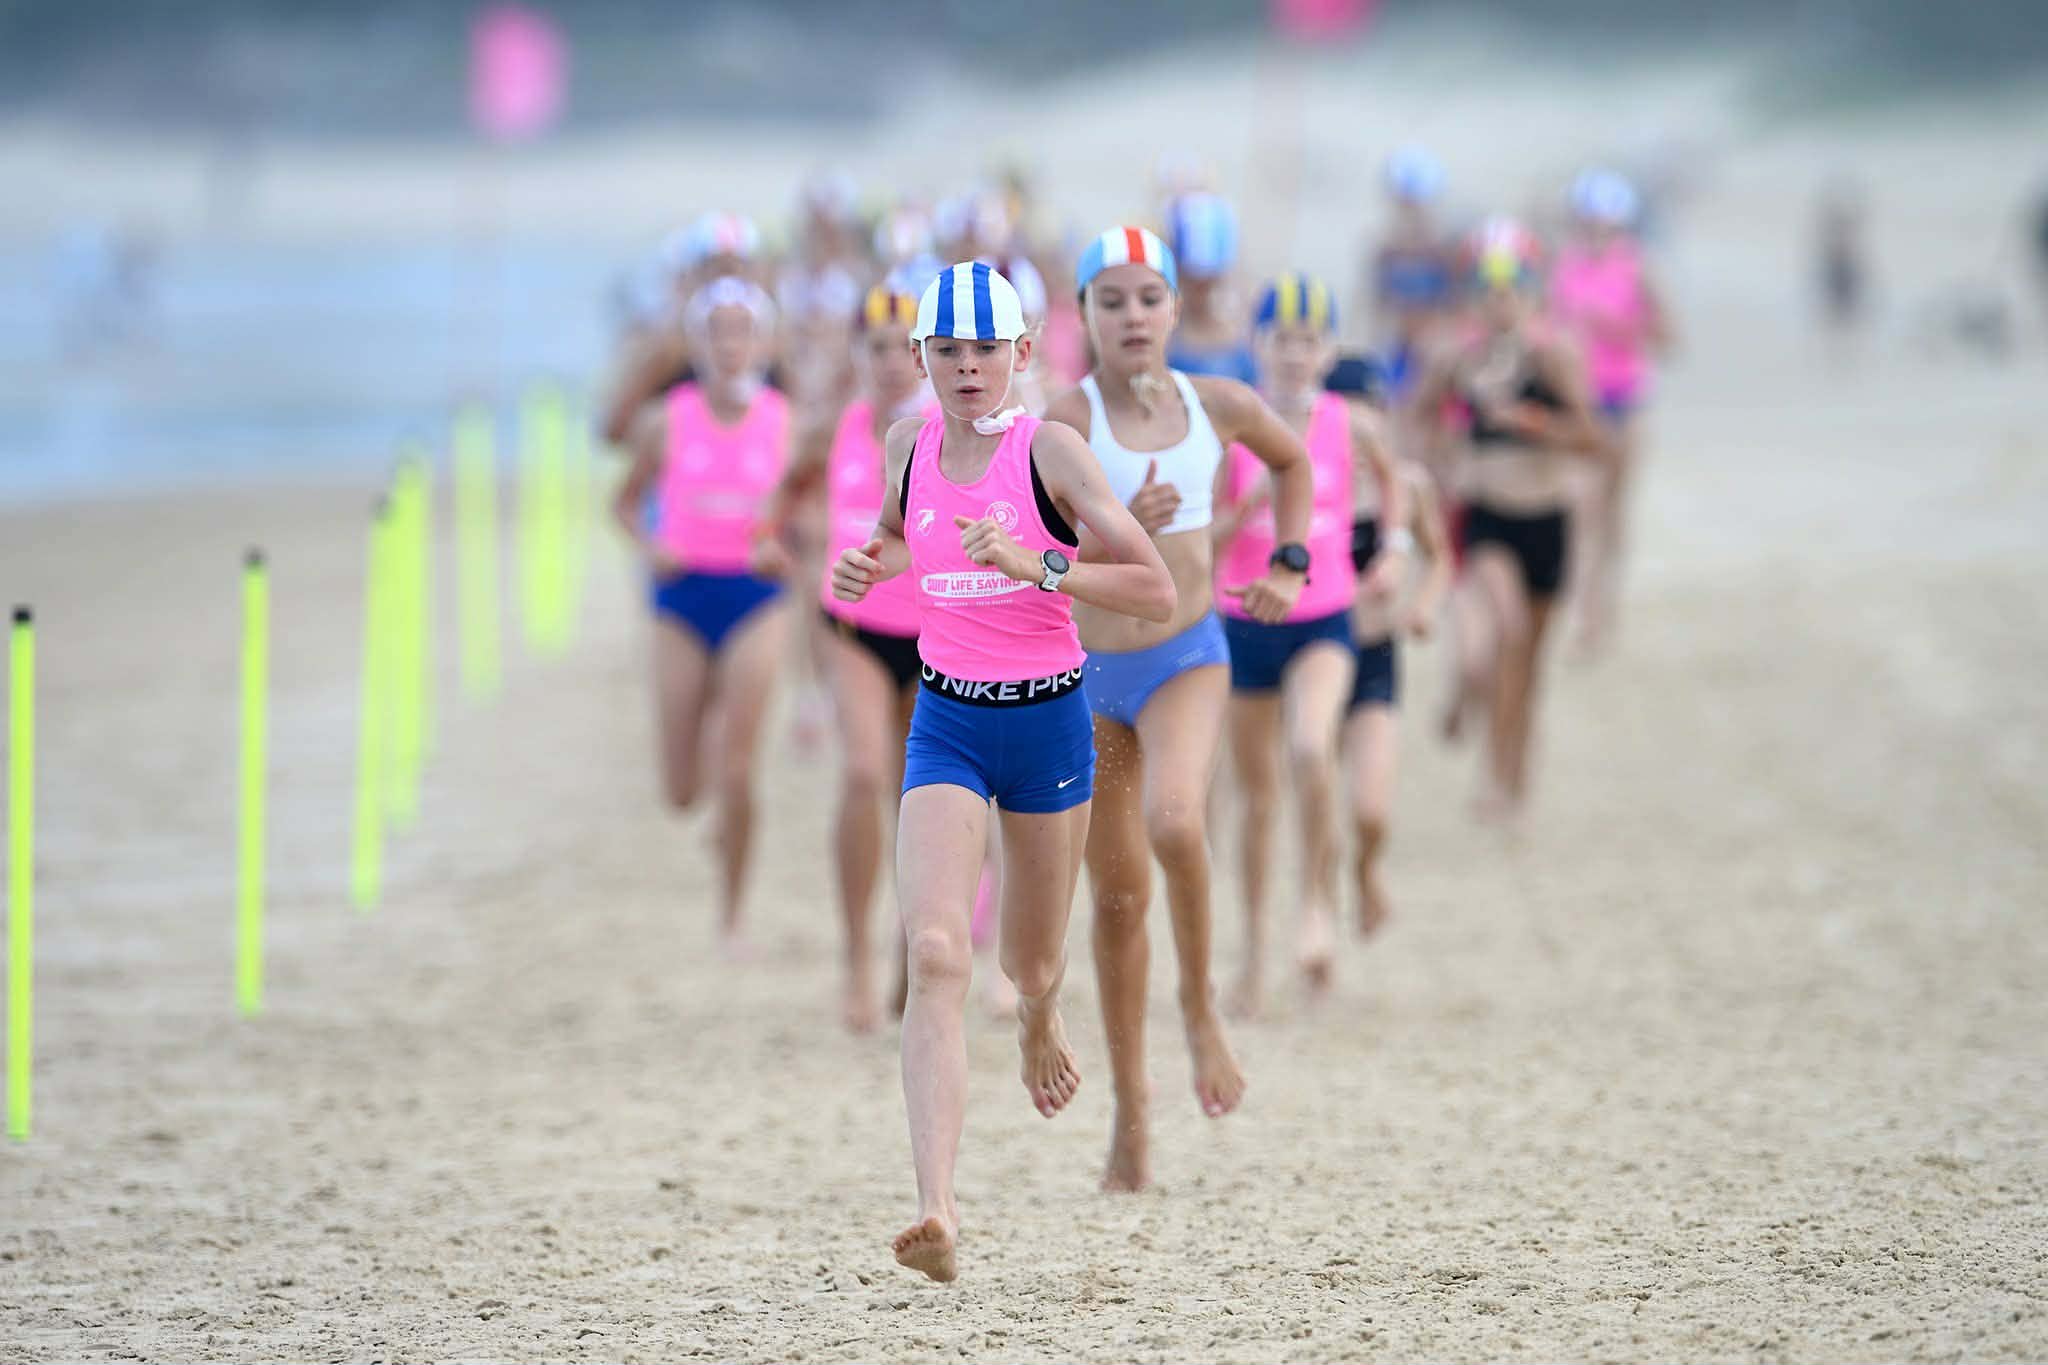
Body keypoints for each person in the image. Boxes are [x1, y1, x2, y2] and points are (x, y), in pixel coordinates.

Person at [830, 262, 1174, 1281]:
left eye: (986, 350)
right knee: (934, 951)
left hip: (1046, 727)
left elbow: (1149, 590)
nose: (967, 368)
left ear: (1022, 353)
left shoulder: (1051, 454)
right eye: (948, 351)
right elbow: (901, 536)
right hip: (945, 724)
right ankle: (935, 1209)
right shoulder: (907, 443)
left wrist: (1038, 566)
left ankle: (1036, 1013)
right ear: (920, 357)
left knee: (1028, 961)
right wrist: (869, 561)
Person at [1043, 227, 1314, 1192]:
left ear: (1176, 309)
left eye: (1147, 299)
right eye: (1109, 300)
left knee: (1177, 818)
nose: (1131, 317)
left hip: (1187, 656)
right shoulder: (1064, 419)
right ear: (1081, 314)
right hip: (1086, 673)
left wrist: (1289, 560)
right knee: (1115, 901)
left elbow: (1293, 465)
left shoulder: (1221, 402)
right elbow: (1029, 535)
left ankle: (1200, 1003)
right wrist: (1111, 530)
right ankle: (1130, 1111)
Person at [1210, 274, 1407, 1013]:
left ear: (1328, 349)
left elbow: (1395, 484)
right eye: (1282, 339)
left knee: (1310, 748)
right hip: (1245, 618)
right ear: (1257, 345)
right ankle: (1255, 948)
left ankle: (1317, 904)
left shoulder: (1348, 422)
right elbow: (1208, 538)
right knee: (1256, 799)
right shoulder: (1232, 427)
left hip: (1325, 614)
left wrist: (1394, 548)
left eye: (1309, 340)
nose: (1295, 354)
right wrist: (1252, 505)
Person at [754, 285, 931, 1033]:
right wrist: (773, 540)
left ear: (924, 355)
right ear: (856, 353)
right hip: (851, 625)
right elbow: (781, 500)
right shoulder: (834, 427)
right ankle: (855, 955)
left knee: (921, 802)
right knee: (862, 773)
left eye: (903, 348)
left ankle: (911, 948)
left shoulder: (947, 431)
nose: (890, 362)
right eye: (876, 347)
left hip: (937, 636)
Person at [1405, 219, 1610, 822]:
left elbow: (1593, 438)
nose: (1500, 300)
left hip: (1546, 518)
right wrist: (1434, 466)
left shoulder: (1554, 355)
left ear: (1532, 290)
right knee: (1506, 634)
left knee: (1527, 665)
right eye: (1488, 288)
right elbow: (1413, 418)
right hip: (1486, 514)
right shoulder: (1455, 357)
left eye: (1512, 287)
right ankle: (1492, 774)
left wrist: (1534, 423)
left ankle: (1512, 779)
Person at [611, 276, 791, 952]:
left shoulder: (782, 419)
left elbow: (807, 506)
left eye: (743, 331)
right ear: (698, 344)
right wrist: (649, 543)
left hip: (754, 597)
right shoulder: (668, 418)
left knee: (741, 771)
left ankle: (733, 914)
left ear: (764, 342)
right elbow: (623, 501)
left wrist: (784, 543)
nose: (730, 345)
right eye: (717, 332)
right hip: (680, 599)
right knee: (682, 790)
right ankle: (707, 764)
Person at [1548, 170, 1673, 658]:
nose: (1596, 232)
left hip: (1626, 402)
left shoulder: (1639, 268)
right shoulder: (1563, 267)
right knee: (1582, 509)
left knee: (1614, 515)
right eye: (1588, 223)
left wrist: (1620, 327)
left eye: (1605, 225)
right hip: (1580, 405)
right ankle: (1583, 614)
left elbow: (1668, 337)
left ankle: (1606, 611)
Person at [1344, 457, 1451, 939]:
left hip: (1374, 657)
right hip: (1300, 658)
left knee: (1371, 810)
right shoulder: (1290, 471)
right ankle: (1319, 915)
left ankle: (1366, 872)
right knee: (1315, 799)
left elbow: (1441, 556)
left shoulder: (1406, 483)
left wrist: (1423, 605)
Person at [1367, 145, 1456, 398]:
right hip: (1397, 346)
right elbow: (1377, 304)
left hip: (1431, 347)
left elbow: (1453, 306)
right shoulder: (1386, 250)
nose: (1409, 211)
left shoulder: (1442, 250)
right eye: (1404, 204)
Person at [1164, 192, 1257, 383]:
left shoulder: (1242, 343)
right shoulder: (1162, 340)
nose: (1200, 291)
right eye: (1191, 279)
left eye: (1207, 282)